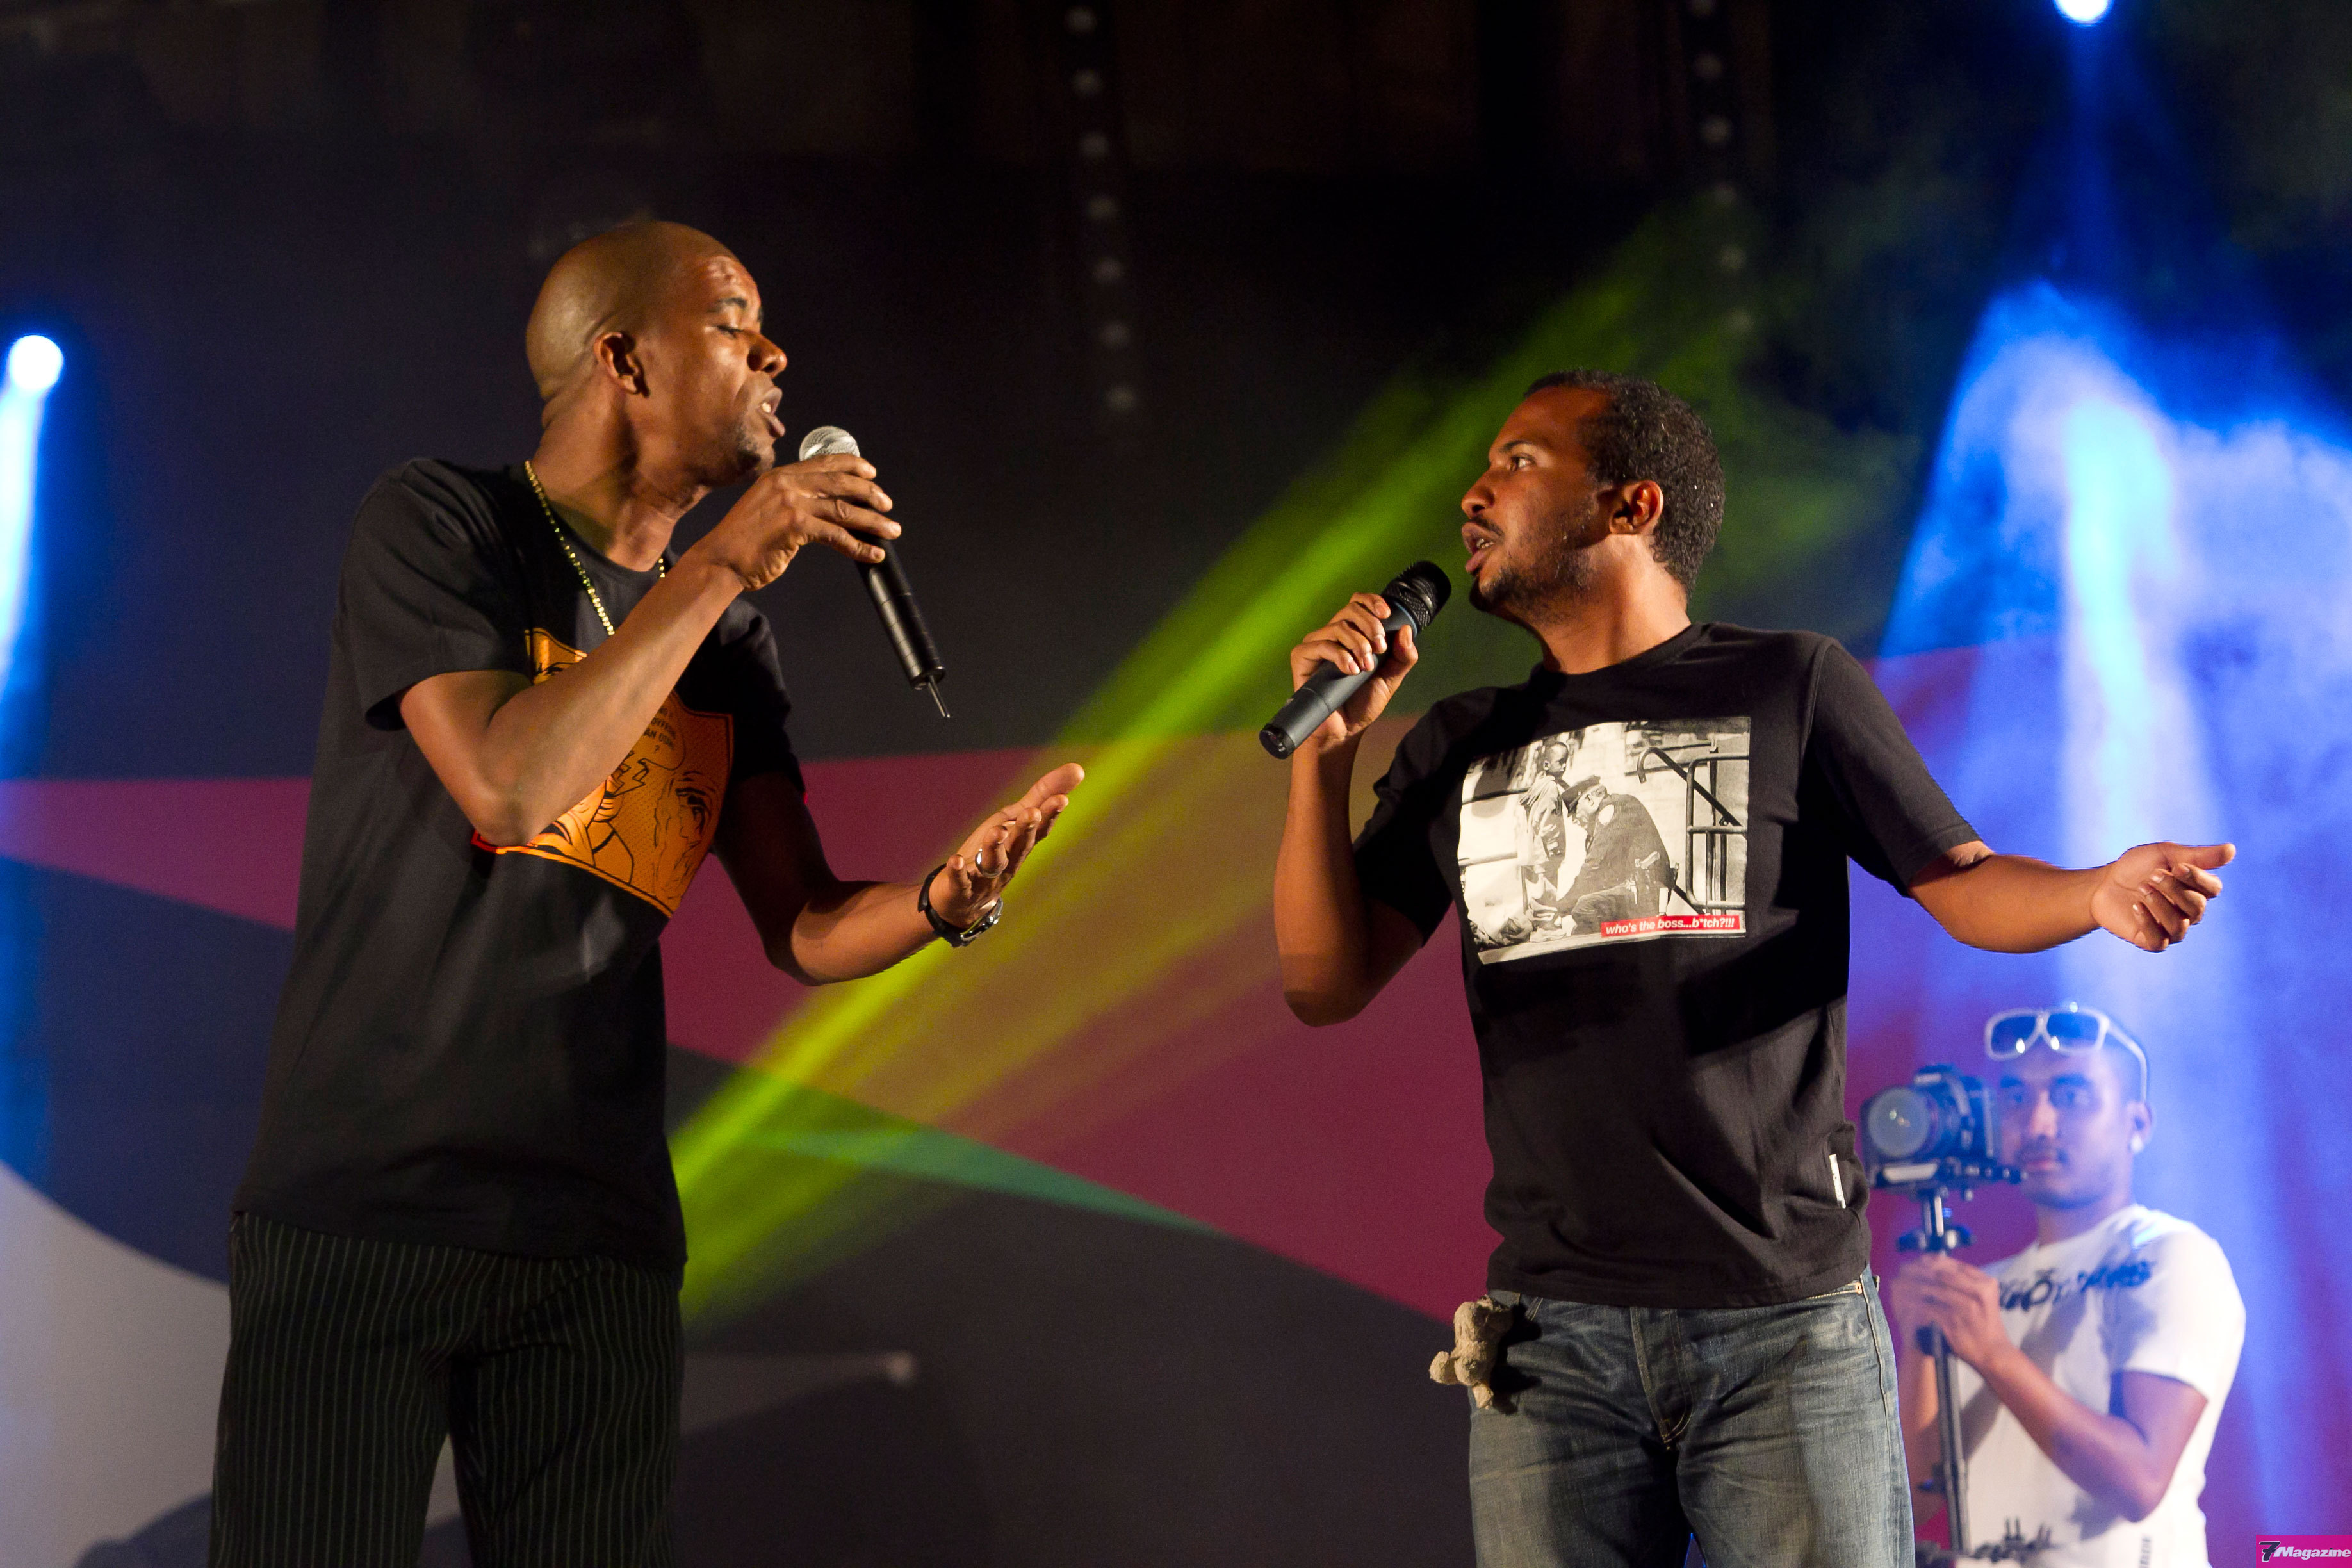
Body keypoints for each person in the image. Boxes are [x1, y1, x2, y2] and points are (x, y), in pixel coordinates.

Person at [210, 221, 1082, 1567]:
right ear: (623, 359)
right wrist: (721, 562)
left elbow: (802, 921)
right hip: (370, 1206)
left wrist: (937, 902)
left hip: (594, 1236)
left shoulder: (728, 640)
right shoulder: (444, 523)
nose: (776, 354)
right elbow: (509, 788)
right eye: (734, 321)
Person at [1269, 369, 2232, 1568]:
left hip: (1783, 1330)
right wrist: (1323, 761)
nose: (1473, 493)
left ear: (1631, 505)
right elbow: (1324, 981)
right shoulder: (1462, 743)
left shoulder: (1789, 684)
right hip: (1551, 1345)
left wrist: (2092, 890)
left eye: (1517, 461)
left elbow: (1961, 881)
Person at [1888, 1006, 2244, 1567]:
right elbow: (1915, 1496)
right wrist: (1918, 1347)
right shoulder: (1982, 1289)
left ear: (2138, 1124)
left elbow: (2139, 1483)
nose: (2037, 1124)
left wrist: (1994, 1354)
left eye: (2071, 1096)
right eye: (2015, 1098)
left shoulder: (2169, 1254)